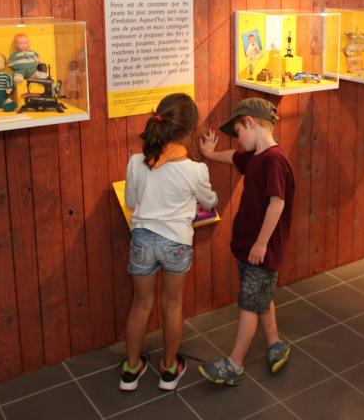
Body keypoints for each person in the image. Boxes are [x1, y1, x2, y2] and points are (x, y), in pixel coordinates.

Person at [120, 93, 218, 392]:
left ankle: (131, 370)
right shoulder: (195, 170)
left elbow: (131, 202)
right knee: (172, 305)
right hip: (176, 242)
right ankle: (169, 370)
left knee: (141, 304)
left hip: (142, 240)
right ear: (191, 131)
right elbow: (209, 201)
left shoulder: (136, 162)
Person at [197, 98, 294, 386]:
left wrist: (262, 243)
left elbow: (277, 203)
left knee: (249, 304)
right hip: (249, 247)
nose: (238, 140)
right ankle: (275, 342)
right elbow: (233, 157)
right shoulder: (255, 157)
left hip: (261, 250)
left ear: (250, 122)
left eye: (238, 132)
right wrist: (210, 154)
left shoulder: (274, 160)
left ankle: (234, 364)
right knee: (260, 296)